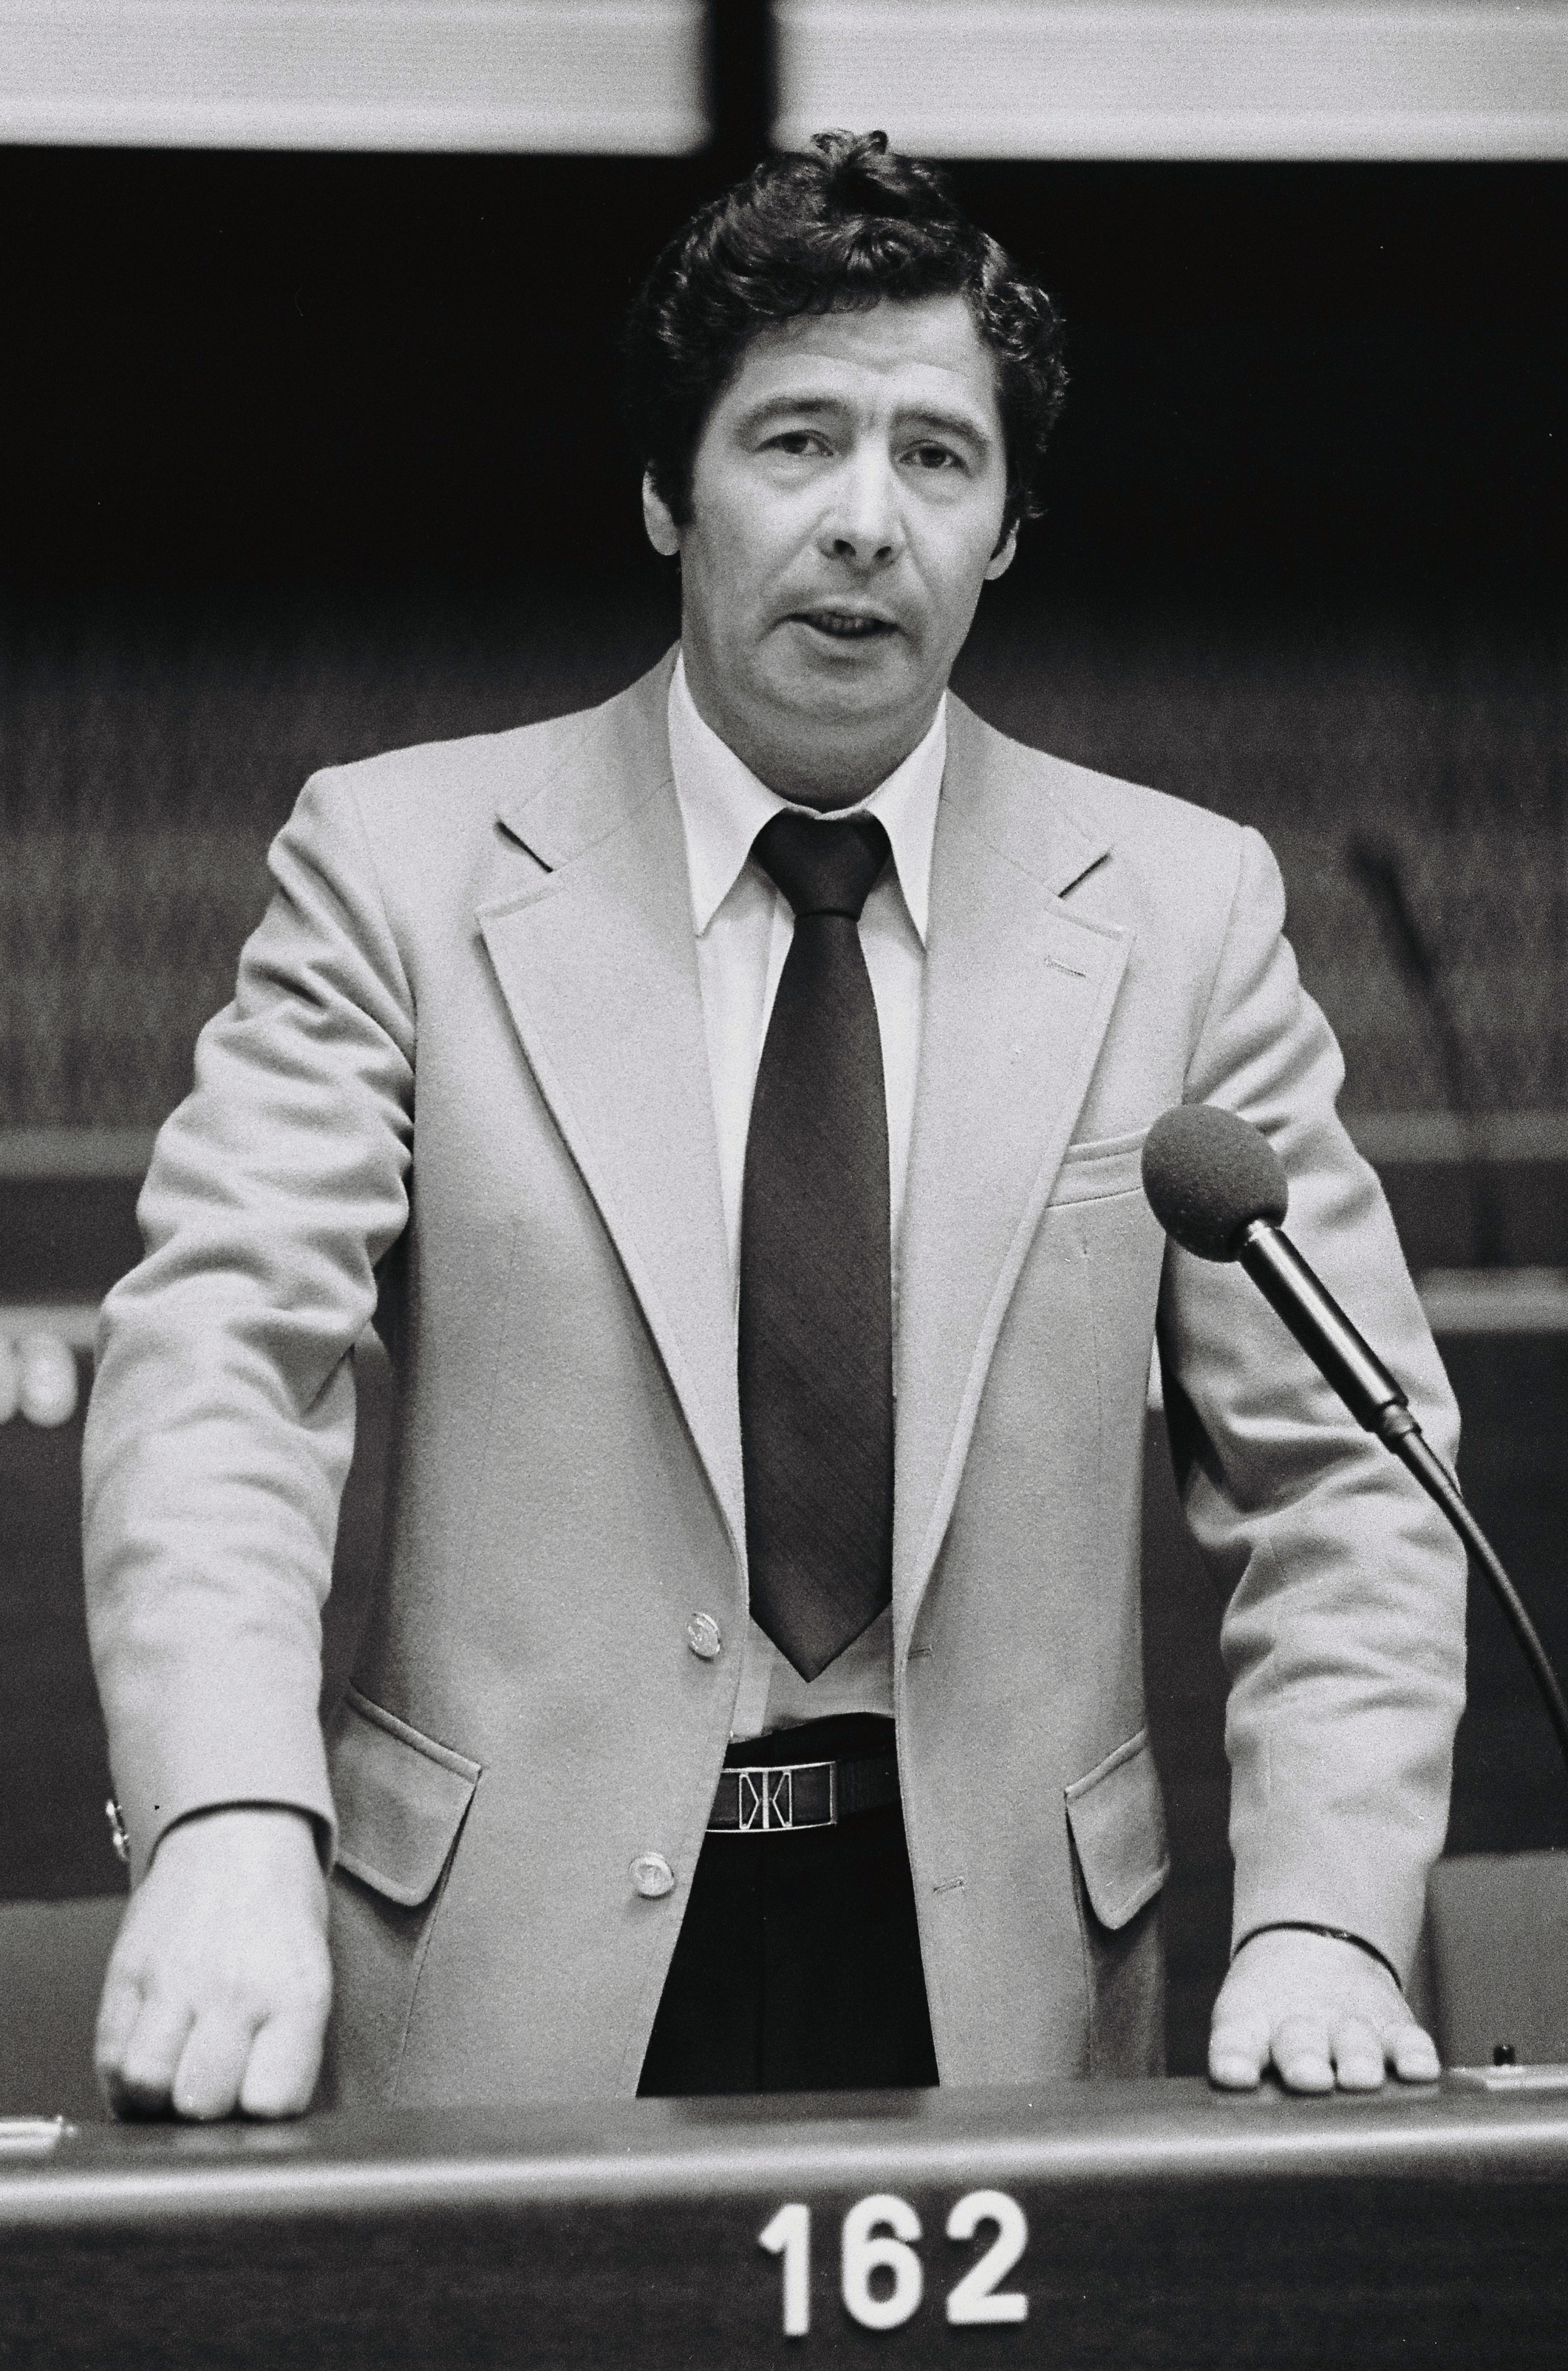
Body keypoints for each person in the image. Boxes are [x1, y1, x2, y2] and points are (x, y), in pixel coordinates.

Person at [83, 132, 1465, 2121]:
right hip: (507, 1969)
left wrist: (1329, 1914)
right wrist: (226, 1808)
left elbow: (1352, 1474)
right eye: (796, 441)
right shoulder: (396, 867)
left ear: (1005, 529)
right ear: (668, 493)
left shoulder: (1182, 912)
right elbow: (219, 1359)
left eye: (936, 458)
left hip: (1004, 1986)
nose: (864, 523)